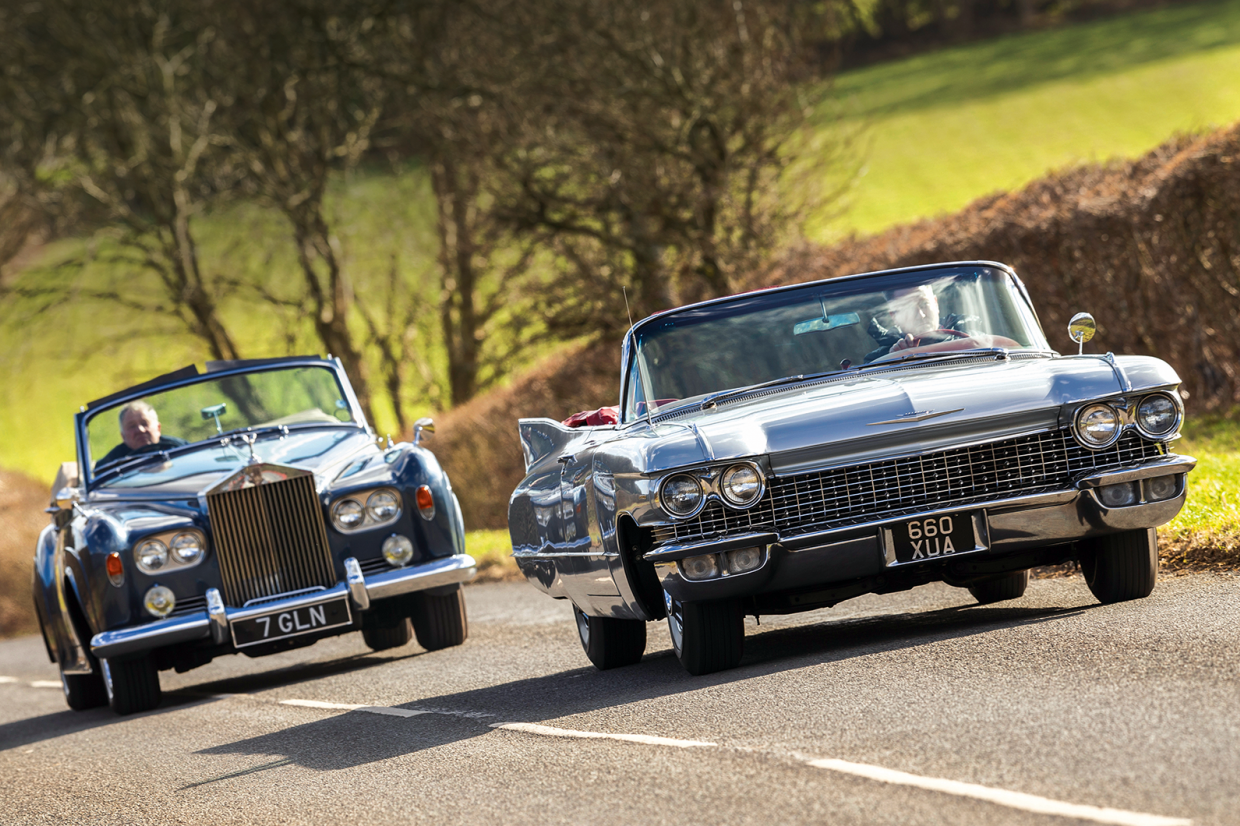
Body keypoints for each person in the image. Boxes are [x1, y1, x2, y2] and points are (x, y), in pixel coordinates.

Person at [863, 284, 978, 363]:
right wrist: (894, 361)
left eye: (924, 304)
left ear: (935, 304)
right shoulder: (877, 361)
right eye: (908, 307)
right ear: (894, 316)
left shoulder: (974, 341)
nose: (921, 315)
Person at [96, 400, 186, 468]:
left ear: (158, 428)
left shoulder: (179, 448)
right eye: (132, 426)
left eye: (144, 423)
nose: (140, 430)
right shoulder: (111, 463)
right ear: (123, 436)